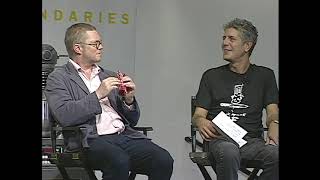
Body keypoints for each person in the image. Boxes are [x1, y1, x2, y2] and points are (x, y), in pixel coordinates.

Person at [44, 23, 173, 180]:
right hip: (89, 139)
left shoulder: (108, 75)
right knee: (118, 160)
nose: (101, 47)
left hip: (123, 135)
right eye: (95, 44)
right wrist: (98, 94)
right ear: (78, 48)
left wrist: (129, 99)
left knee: (163, 160)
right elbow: (65, 115)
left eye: (101, 43)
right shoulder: (59, 78)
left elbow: (132, 121)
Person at [192, 18, 278, 180]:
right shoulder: (211, 76)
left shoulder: (265, 76)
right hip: (220, 140)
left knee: (276, 154)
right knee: (229, 151)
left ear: (247, 46)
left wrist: (274, 123)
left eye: (231, 39)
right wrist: (201, 122)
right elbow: (198, 115)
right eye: (224, 38)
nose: (225, 43)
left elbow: (273, 111)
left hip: (251, 142)